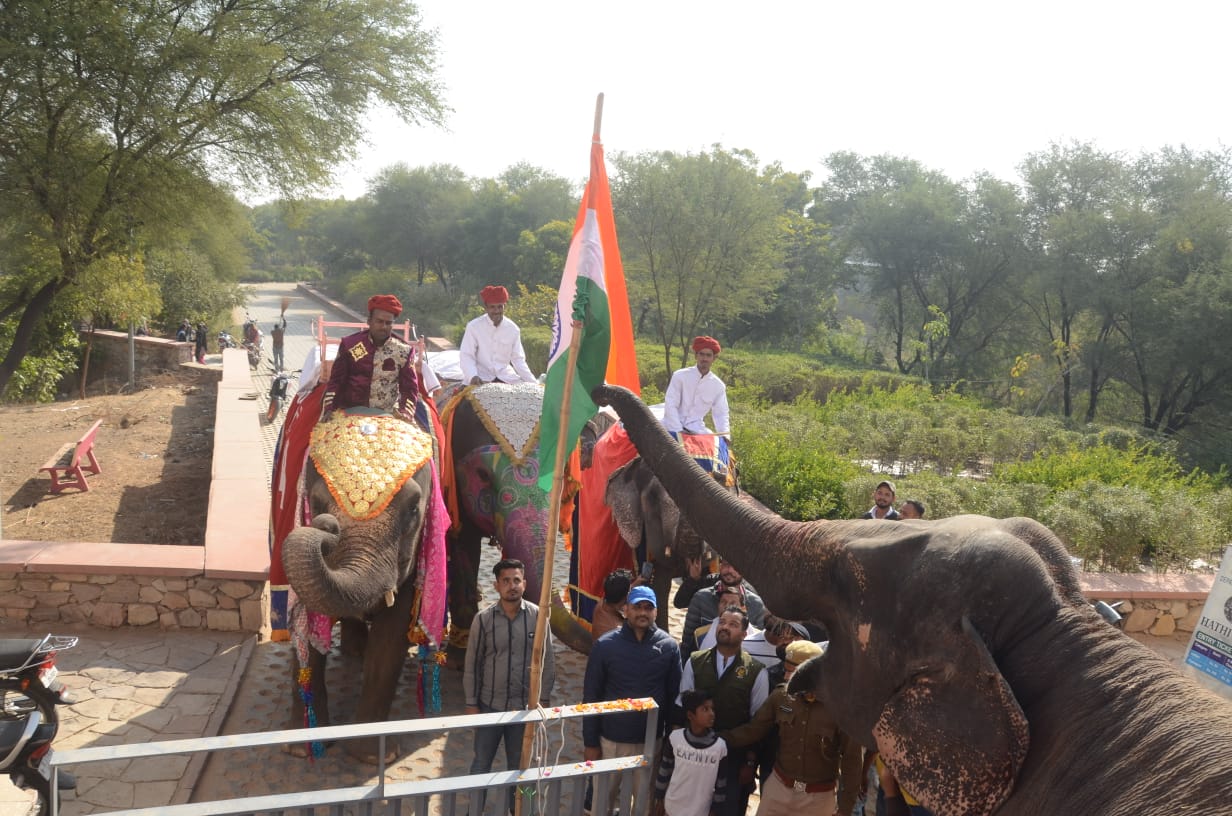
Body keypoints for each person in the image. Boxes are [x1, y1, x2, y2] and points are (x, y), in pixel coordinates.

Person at [720, 640, 863, 816]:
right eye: (785, 670)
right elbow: (753, 730)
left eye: (792, 672)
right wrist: (719, 738)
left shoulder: (841, 709)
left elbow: (852, 761)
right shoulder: (781, 696)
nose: (786, 677)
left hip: (818, 798)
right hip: (779, 789)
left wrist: (845, 807)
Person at [464, 558, 554, 815]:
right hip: (489, 706)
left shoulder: (538, 617)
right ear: (496, 585)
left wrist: (543, 701)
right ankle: (475, 810)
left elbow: (548, 661)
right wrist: (471, 704)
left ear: (524, 583)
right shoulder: (483, 620)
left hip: (523, 710)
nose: (512, 586)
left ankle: (519, 809)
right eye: (506, 581)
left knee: (521, 767)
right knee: (481, 763)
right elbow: (472, 665)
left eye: (517, 580)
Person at [583, 585, 682, 815]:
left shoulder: (668, 647)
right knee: (601, 803)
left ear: (656, 612)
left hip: (650, 743)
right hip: (611, 741)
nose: (642, 613)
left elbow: (673, 696)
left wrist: (669, 738)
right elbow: (591, 695)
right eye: (637, 607)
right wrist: (590, 742)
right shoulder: (605, 646)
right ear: (625, 609)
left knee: (643, 806)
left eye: (648, 608)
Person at [677, 606, 770, 816]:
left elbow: (758, 723)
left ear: (744, 634)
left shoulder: (756, 671)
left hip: (733, 758)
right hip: (696, 753)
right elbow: (683, 706)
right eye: (722, 622)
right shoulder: (696, 661)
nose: (725, 627)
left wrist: (750, 761)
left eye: (733, 624)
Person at [322, 294, 422, 422]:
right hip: (349, 413)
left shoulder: (404, 351)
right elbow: (336, 382)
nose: (384, 327)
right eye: (379, 321)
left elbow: (409, 388)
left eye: (388, 323)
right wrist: (330, 408)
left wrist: (405, 412)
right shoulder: (352, 345)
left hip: (387, 414)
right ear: (369, 321)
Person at [654, 689, 727, 816]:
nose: (711, 714)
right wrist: (659, 799)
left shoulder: (719, 747)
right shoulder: (675, 738)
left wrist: (715, 810)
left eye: (712, 709)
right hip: (672, 808)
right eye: (705, 709)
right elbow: (664, 770)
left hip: (700, 811)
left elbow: (721, 783)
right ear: (690, 715)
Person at [681, 560, 766, 657]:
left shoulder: (756, 604)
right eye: (726, 565)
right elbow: (687, 643)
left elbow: (761, 645)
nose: (729, 570)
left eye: (736, 567)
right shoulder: (701, 598)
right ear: (720, 566)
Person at [459, 285, 537, 385]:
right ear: (486, 307)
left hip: (507, 378)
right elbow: (467, 355)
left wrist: (533, 383)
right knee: (466, 400)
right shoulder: (473, 327)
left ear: (505, 306)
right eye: (492, 307)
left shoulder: (513, 329)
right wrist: (472, 376)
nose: (496, 311)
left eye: (500, 307)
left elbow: (518, 360)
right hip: (480, 378)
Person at [662, 336, 729, 437]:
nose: (704, 359)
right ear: (696, 356)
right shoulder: (680, 376)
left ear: (714, 358)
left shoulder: (718, 386)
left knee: (717, 450)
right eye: (701, 354)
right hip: (670, 426)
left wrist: (725, 436)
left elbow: (721, 413)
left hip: (697, 430)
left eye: (708, 355)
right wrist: (678, 431)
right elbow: (671, 404)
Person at [592, 567, 634, 640]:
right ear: (626, 596)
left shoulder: (602, 603)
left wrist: (638, 581)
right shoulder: (618, 631)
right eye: (630, 590)